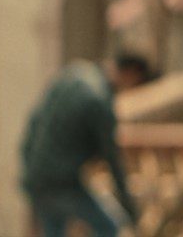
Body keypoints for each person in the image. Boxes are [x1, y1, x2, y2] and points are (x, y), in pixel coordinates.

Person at [20, 55, 150, 237]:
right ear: (131, 74)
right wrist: (129, 208)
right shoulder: (99, 100)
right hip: (60, 180)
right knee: (109, 228)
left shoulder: (74, 72)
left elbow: (34, 120)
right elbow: (111, 157)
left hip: (36, 174)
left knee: (54, 229)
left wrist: (27, 164)